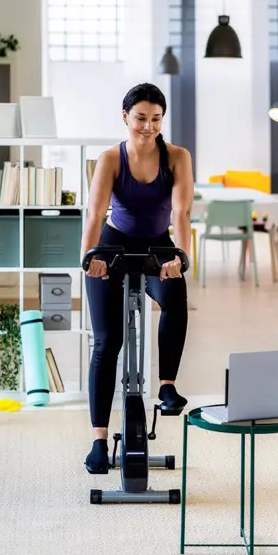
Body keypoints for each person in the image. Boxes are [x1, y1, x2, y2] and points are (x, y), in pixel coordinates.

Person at [80, 82, 194, 474]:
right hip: (112, 247)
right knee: (107, 340)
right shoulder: (111, 158)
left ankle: (165, 385)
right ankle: (98, 441)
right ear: (125, 116)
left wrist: (180, 256)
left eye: (156, 119)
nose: (148, 126)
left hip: (157, 245)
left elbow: (180, 215)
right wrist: (89, 256)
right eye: (141, 118)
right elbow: (94, 216)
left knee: (175, 299)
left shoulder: (177, 156)